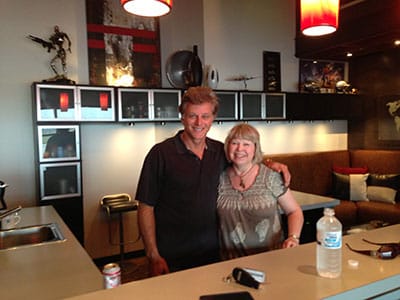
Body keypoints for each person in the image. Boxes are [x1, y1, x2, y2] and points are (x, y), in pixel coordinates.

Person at [136, 86, 291, 276]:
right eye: (192, 116)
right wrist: (153, 255)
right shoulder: (160, 154)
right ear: (182, 117)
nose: (199, 122)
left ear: (213, 118)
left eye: (205, 116)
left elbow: (246, 161)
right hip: (172, 257)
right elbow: (145, 207)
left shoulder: (220, 152)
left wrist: (271, 163)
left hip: (215, 256)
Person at [217, 123, 304, 260]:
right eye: (234, 143)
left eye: (246, 144)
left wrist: (293, 237)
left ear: (255, 148)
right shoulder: (219, 178)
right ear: (228, 147)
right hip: (229, 261)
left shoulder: (270, 176)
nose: (240, 148)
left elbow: (294, 211)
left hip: (271, 259)